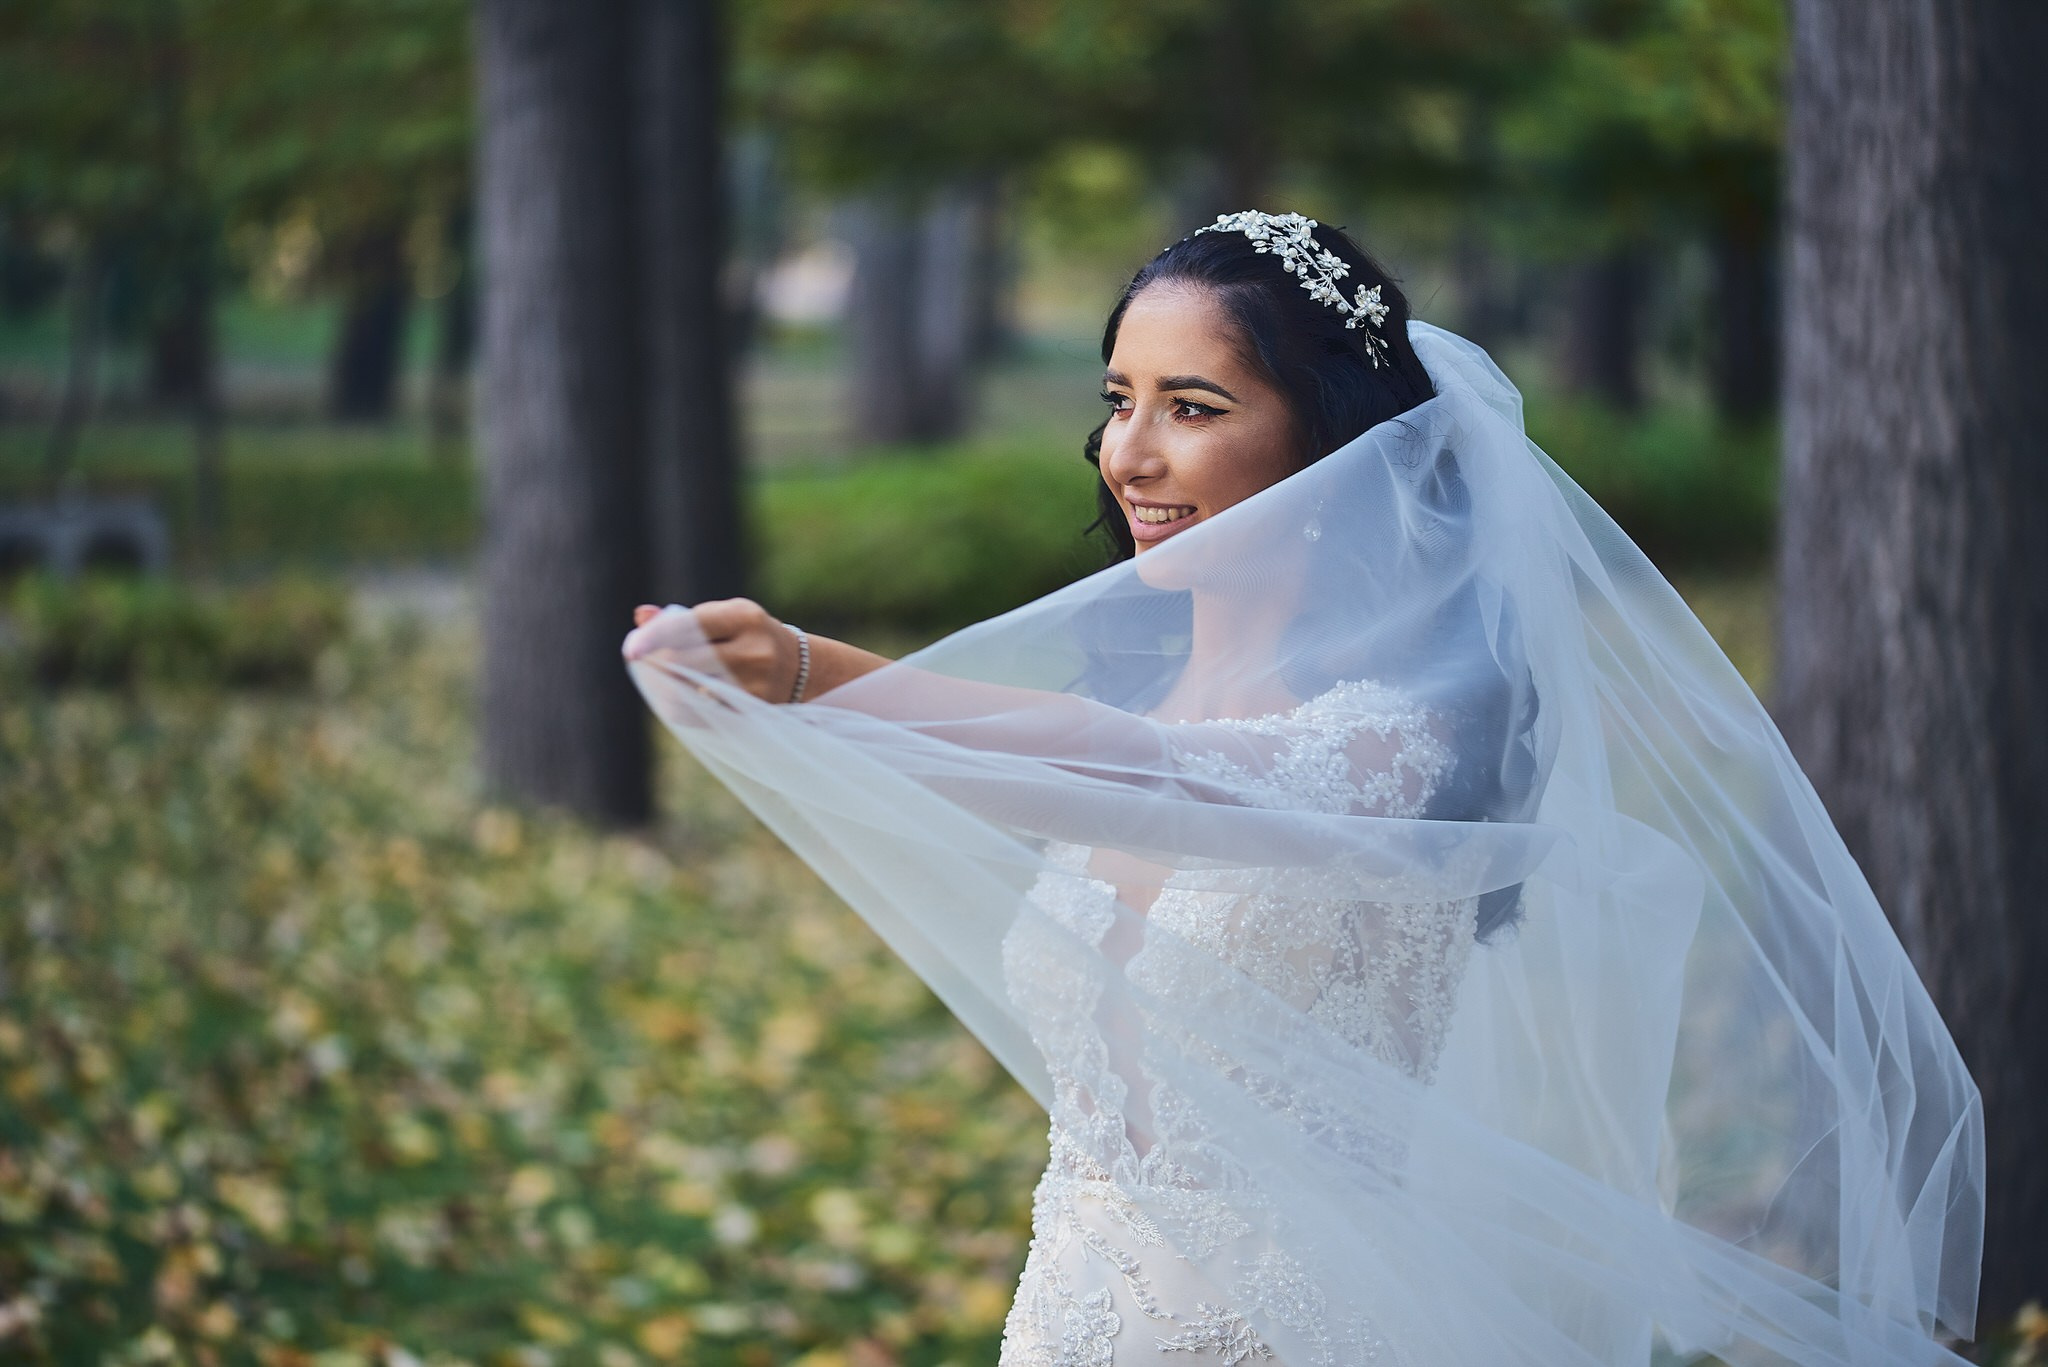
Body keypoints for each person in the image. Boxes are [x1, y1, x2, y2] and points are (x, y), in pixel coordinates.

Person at [621, 212, 1983, 1366]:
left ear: (1333, 443)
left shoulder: (1397, 743)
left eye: (1194, 408)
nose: (1129, 455)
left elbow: (1148, 781)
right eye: (1118, 399)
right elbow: (1092, 765)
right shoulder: (1140, 700)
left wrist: (815, 672)